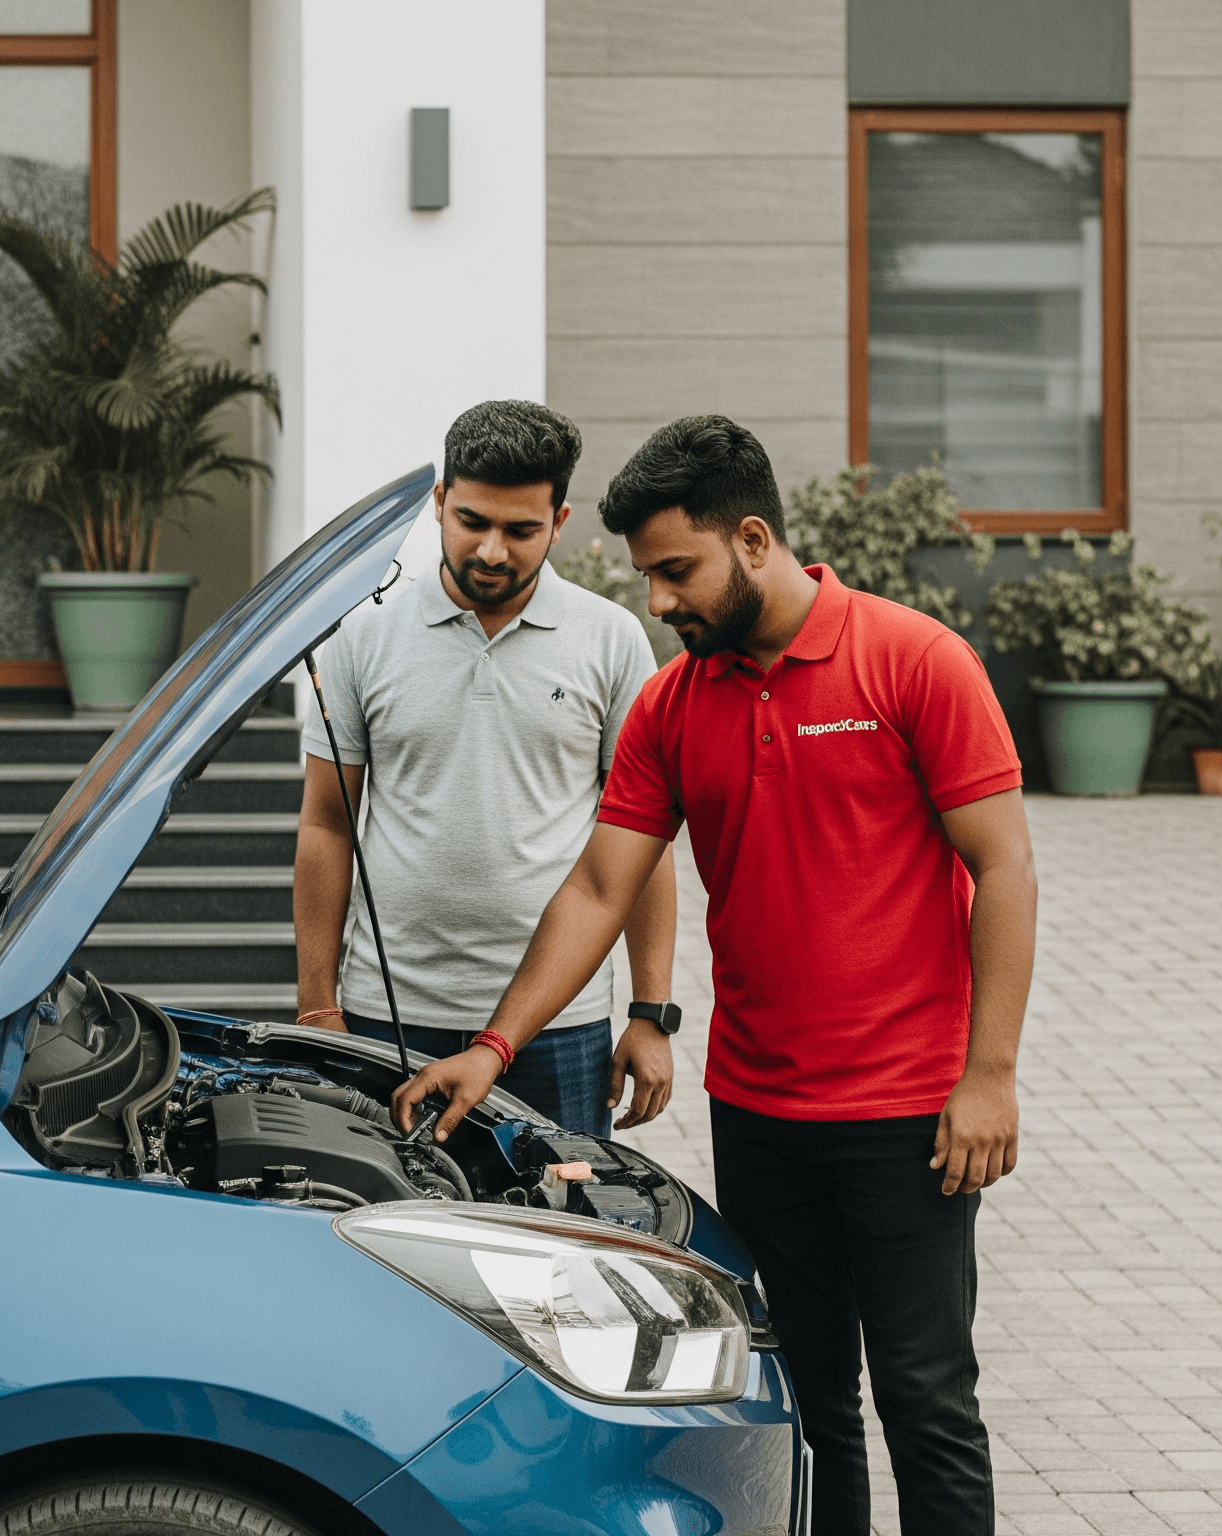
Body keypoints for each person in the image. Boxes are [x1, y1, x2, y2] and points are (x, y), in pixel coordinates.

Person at [389, 415, 1035, 1536]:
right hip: (759, 1110)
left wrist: (989, 1076)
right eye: (644, 576)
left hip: (906, 1115)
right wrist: (492, 1050)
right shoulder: (673, 704)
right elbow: (596, 888)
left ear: (749, 540)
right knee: (809, 1403)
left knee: (926, 1401)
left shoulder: (911, 660)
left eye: (673, 571)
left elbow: (1003, 866)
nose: (658, 602)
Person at [294, 399, 682, 1139]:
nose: (494, 551)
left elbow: (640, 840)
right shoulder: (364, 639)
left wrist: (649, 1012)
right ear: (440, 503)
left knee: (557, 1242)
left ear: (559, 524)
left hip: (558, 1024)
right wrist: (319, 1006)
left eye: (521, 530)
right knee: (388, 1240)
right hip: (388, 1013)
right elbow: (325, 823)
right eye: (472, 521)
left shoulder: (612, 640)